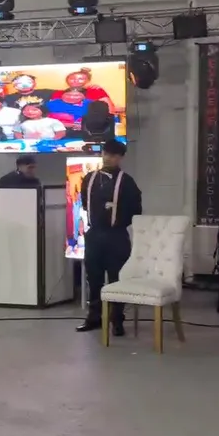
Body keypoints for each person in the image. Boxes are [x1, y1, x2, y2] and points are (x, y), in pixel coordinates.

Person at [76, 140, 142, 335]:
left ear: (121, 158)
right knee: (94, 278)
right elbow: (85, 203)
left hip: (116, 236)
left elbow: (136, 209)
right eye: (106, 153)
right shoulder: (89, 178)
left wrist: (117, 216)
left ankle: (117, 320)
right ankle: (94, 318)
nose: (108, 158)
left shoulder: (127, 181)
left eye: (113, 155)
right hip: (94, 234)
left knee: (117, 278)